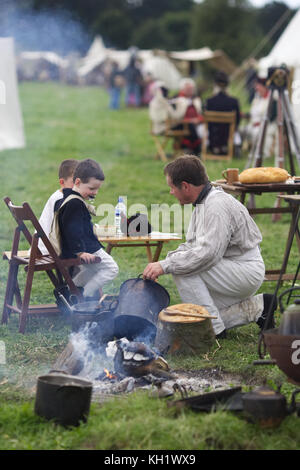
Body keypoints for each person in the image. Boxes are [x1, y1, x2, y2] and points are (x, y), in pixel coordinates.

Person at [142, 155, 277, 338]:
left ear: (186, 186)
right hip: (230, 269)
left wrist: (166, 266)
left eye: (172, 187)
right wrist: (163, 263)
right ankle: (260, 307)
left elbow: (208, 254)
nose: (171, 192)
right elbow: (192, 246)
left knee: (182, 269)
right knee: (201, 306)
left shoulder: (216, 206)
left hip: (244, 270)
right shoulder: (204, 203)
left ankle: (213, 330)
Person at [56, 158, 119, 301]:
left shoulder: (67, 197)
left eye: (97, 189)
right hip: (86, 249)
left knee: (90, 270)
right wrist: (80, 252)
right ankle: (85, 294)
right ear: (77, 182)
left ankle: (71, 292)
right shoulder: (74, 203)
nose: (95, 192)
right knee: (111, 268)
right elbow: (72, 230)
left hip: (75, 248)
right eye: (91, 188)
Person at [38, 158, 78, 254]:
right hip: (51, 250)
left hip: (42, 247)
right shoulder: (62, 200)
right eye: (74, 182)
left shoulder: (58, 196)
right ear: (62, 182)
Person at [205, 71, 241, 155]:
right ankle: (227, 148)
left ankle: (215, 148)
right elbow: (238, 120)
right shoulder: (234, 101)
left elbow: (206, 120)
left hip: (213, 135)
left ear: (215, 85)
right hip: (228, 134)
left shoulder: (209, 101)